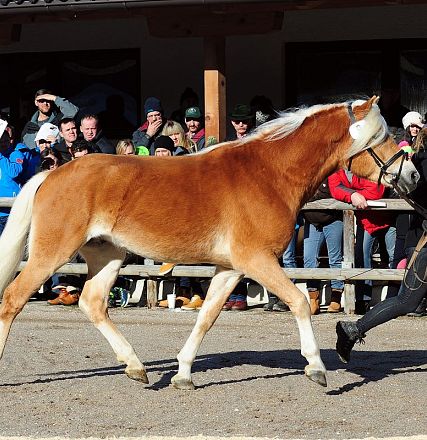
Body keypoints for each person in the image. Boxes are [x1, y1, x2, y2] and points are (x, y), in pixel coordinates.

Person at [336, 136, 427, 362]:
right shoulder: (420, 163)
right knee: (407, 300)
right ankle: (353, 330)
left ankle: (353, 330)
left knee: (407, 300)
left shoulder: (417, 161)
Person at [329, 170, 396, 315]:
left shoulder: (367, 164)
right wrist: (353, 194)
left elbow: (375, 191)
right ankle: (362, 300)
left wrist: (349, 193)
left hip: (388, 218)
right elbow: (334, 188)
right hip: (365, 222)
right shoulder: (339, 168)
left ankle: (396, 299)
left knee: (394, 258)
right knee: (362, 258)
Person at [303, 179, 344, 314]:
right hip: (311, 221)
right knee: (309, 258)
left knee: (335, 259)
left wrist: (314, 195)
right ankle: (313, 299)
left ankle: (336, 298)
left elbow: (334, 192)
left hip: (333, 219)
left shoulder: (332, 174)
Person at [0, 129, 25, 236]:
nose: (3, 144)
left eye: (6, 140)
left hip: (12, 211)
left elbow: (13, 172)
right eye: (1, 141)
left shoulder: (16, 154)